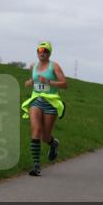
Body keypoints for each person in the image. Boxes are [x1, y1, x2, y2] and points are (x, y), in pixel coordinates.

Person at [20, 41, 67, 176]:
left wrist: (48, 81)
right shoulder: (33, 66)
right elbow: (34, 80)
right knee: (36, 130)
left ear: (49, 53)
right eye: (40, 50)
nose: (42, 53)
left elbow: (64, 84)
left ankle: (53, 144)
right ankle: (36, 166)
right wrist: (30, 82)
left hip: (50, 102)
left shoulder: (54, 66)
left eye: (45, 50)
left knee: (45, 137)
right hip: (36, 100)